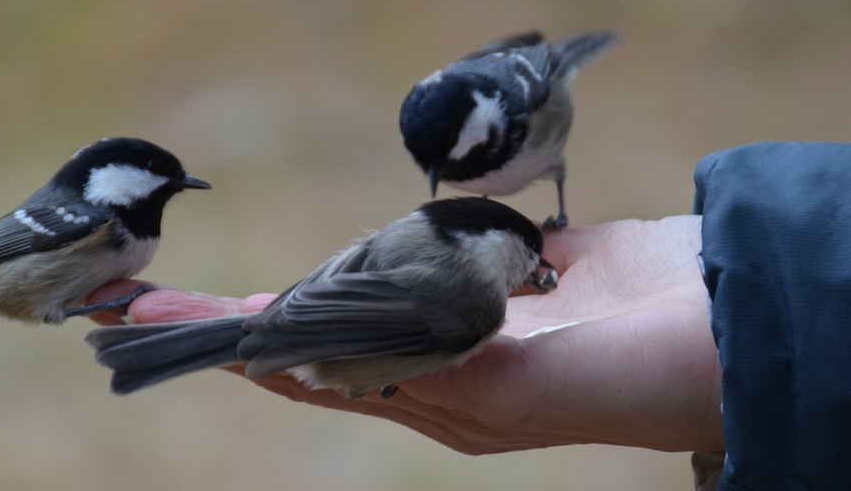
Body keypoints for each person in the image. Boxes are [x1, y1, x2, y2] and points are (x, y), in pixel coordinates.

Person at [88, 142, 851, 490]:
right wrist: (293, 336)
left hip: (303, 308)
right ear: (495, 244)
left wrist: (286, 320)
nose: (534, 272)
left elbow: (337, 285)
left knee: (253, 330)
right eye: (528, 256)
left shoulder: (414, 237)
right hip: (318, 327)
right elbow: (360, 321)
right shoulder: (479, 303)